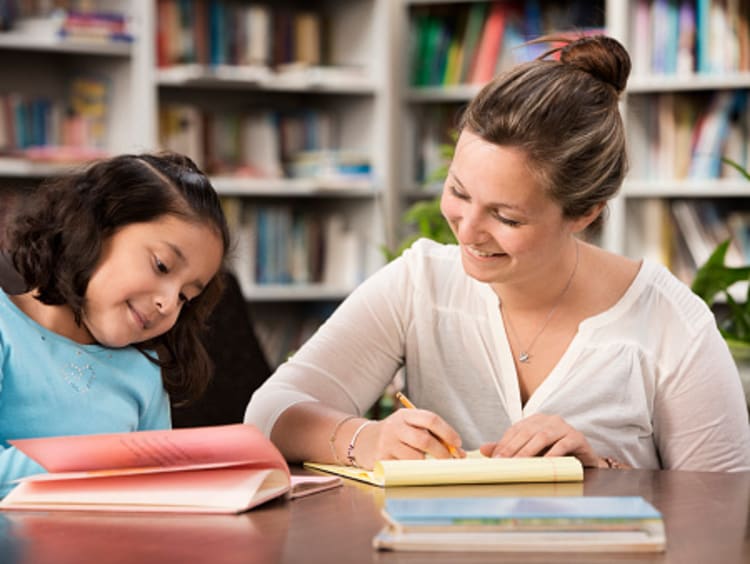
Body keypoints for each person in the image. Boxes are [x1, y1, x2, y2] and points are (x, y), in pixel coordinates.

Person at [244, 35, 750, 473]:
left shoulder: (669, 324)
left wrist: (606, 473)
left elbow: (728, 512)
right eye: (459, 193)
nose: (469, 230)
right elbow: (268, 413)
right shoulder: (421, 282)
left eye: (507, 218)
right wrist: (364, 439)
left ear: (585, 214)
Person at [0, 152, 230, 495]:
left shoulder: (145, 375)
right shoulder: (6, 329)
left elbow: (158, 491)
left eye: (185, 297)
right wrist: (104, 457)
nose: (167, 303)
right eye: (162, 266)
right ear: (95, 227)